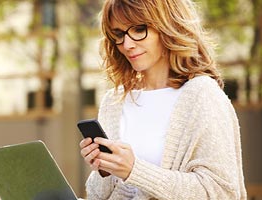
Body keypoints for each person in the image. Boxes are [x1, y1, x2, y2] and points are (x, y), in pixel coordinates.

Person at [79, 0, 246, 199]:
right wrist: (105, 170)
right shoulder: (113, 102)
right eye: (119, 34)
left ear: (167, 26)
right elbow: (97, 195)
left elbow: (221, 193)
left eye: (139, 29)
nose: (127, 44)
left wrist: (135, 170)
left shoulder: (202, 96)